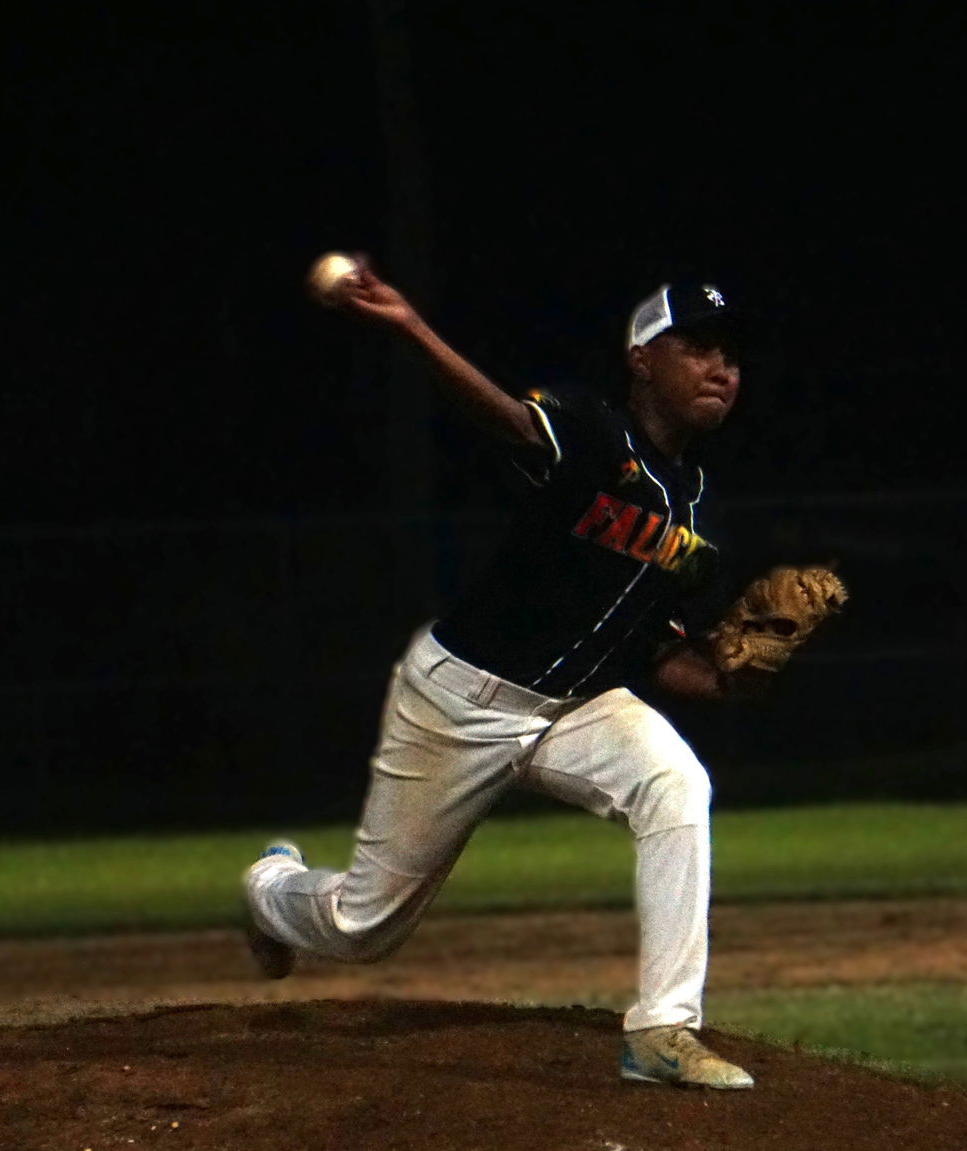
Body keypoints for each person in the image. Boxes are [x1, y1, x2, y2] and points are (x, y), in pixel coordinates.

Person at [243, 268, 760, 1088]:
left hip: (578, 708)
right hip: (460, 700)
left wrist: (738, 666)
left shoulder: (700, 512)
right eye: (695, 347)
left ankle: (662, 1029)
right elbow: (511, 423)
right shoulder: (593, 430)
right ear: (640, 359)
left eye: (730, 354)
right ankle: (271, 888)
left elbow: (665, 660)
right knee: (361, 927)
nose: (720, 367)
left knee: (676, 787)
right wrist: (411, 327)